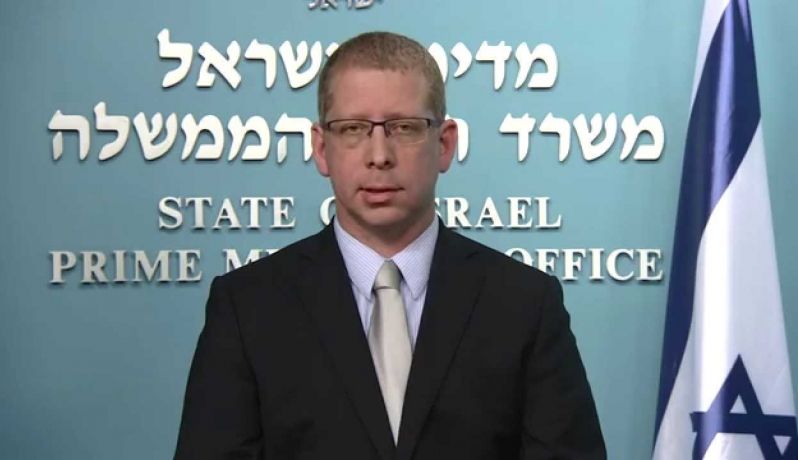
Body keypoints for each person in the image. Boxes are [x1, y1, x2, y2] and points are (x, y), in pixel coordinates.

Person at [174, 31, 606, 460]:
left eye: (403, 128)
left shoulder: (525, 304)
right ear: (322, 149)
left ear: (445, 144)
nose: (379, 155)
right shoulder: (248, 308)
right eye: (353, 129)